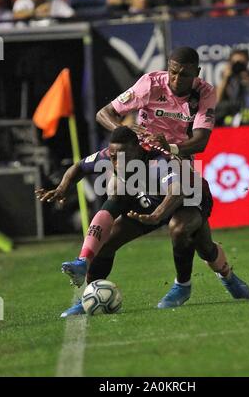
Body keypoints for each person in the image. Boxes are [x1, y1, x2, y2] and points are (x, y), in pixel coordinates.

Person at [36, 126, 249, 317]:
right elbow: (80, 167)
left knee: (190, 238)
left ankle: (201, 282)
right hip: (152, 199)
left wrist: (158, 215)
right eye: (112, 157)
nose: (115, 162)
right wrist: (62, 188)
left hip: (190, 196)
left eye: (121, 156)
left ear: (137, 151)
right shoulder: (111, 154)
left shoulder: (160, 161)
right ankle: (89, 295)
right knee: (107, 240)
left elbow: (177, 190)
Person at [96, 46, 218, 308]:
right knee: (108, 240)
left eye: (184, 75)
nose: (176, 80)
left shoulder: (204, 92)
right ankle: (88, 289)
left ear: (196, 73)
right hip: (145, 174)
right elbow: (104, 114)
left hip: (181, 173)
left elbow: (201, 142)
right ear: (167, 68)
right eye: (173, 72)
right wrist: (126, 134)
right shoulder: (150, 84)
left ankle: (191, 284)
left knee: (196, 240)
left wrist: (170, 147)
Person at [216, 48, 249, 127]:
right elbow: (217, 99)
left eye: (241, 62)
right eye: (235, 62)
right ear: (230, 63)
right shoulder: (227, 78)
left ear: (247, 62)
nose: (238, 65)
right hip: (231, 117)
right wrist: (225, 78)